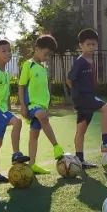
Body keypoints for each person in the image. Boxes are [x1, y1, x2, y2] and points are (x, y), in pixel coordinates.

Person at [65, 29, 107, 168]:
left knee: (81, 129)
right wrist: (77, 94)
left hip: (87, 96)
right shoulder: (80, 62)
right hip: (84, 97)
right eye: (88, 44)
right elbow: (69, 79)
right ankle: (106, 142)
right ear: (81, 46)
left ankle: (80, 160)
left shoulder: (90, 60)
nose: (91, 47)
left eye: (93, 44)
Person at [19, 34, 66, 174]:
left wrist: (47, 106)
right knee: (42, 117)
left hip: (41, 106)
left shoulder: (43, 68)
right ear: (37, 49)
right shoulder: (28, 65)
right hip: (32, 105)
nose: (47, 57)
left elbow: (44, 91)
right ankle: (56, 146)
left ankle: (32, 164)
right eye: (46, 54)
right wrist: (23, 106)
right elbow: (21, 86)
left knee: (34, 135)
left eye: (49, 55)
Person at [0, 39, 27, 183]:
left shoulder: (6, 73)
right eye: (4, 51)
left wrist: (9, 110)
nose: (8, 53)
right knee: (16, 123)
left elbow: (6, 95)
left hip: (3, 110)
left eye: (9, 50)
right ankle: (15, 155)